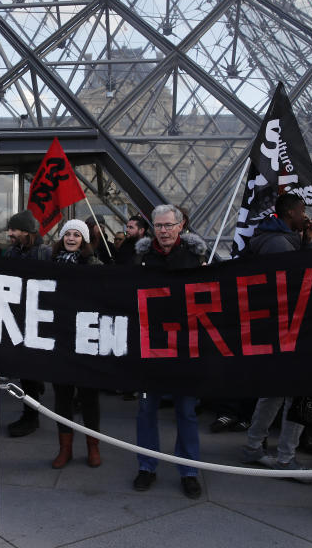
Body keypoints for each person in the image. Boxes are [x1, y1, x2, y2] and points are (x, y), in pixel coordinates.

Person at [131, 204, 208, 499]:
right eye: (159, 226)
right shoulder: (141, 257)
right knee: (146, 408)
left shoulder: (195, 257)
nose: (163, 231)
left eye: (168, 225)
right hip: (150, 344)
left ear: (180, 226)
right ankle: (146, 466)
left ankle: (188, 470)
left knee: (186, 411)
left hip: (186, 345)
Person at [238, 193, 312, 478]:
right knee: (300, 393)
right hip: (289, 326)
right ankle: (286, 456)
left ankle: (254, 445)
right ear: (291, 214)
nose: (305, 216)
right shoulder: (279, 244)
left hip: (275, 327)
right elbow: (299, 281)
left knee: (273, 392)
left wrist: (306, 241)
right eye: (302, 211)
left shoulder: (272, 239)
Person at [49, 219, 103, 469]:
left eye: (77, 235)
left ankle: (93, 447)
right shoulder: (49, 265)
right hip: (59, 340)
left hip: (86, 340)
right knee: (62, 397)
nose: (71, 238)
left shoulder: (94, 265)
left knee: (89, 397)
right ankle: (65, 448)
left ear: (84, 240)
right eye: (68, 234)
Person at [2, 209, 52, 438]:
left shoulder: (44, 254)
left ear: (26, 232)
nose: (10, 233)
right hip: (19, 319)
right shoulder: (11, 253)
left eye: (14, 229)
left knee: (29, 371)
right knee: (26, 371)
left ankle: (30, 417)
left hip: (37, 319)